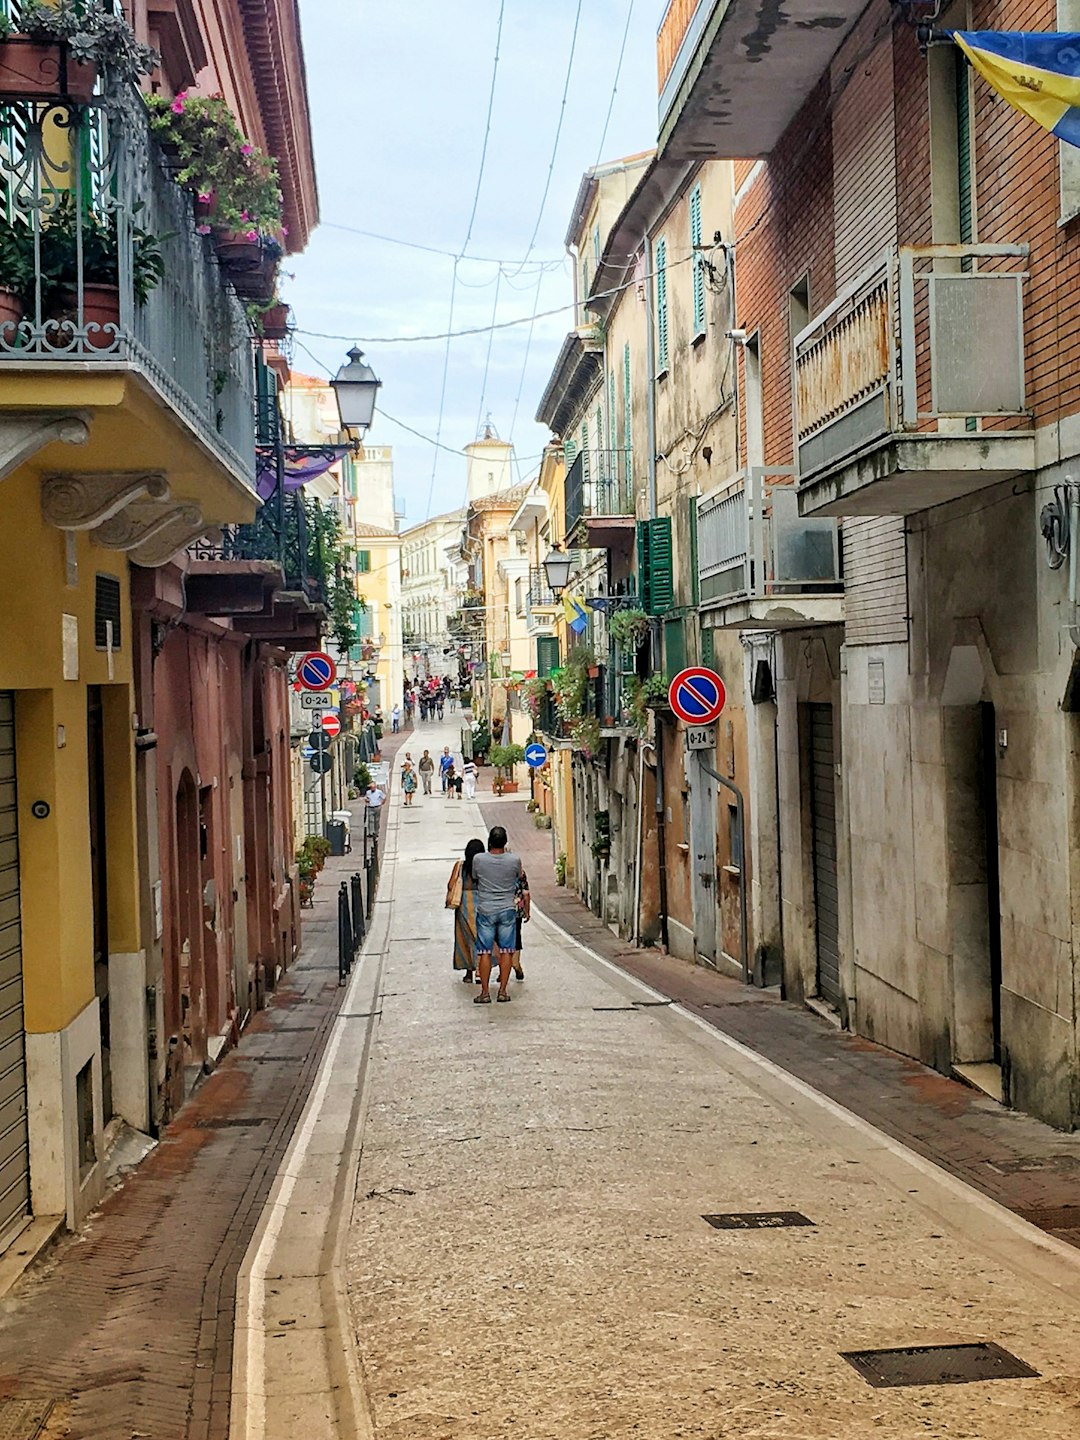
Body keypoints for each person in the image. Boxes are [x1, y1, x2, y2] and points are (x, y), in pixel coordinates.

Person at [471, 826, 529, 1004]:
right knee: (506, 951)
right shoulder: (514, 860)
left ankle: (485, 993)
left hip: (486, 909)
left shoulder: (478, 859)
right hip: (507, 910)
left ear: (490, 841)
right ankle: (503, 991)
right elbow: (519, 877)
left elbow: (475, 877)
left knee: (485, 952)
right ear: (505, 842)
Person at [448, 838, 484, 984]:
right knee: (481, 939)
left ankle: (469, 972)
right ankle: (481, 971)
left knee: (464, 939)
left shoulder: (460, 866)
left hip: (463, 904)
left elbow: (451, 885)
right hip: (481, 903)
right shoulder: (483, 867)